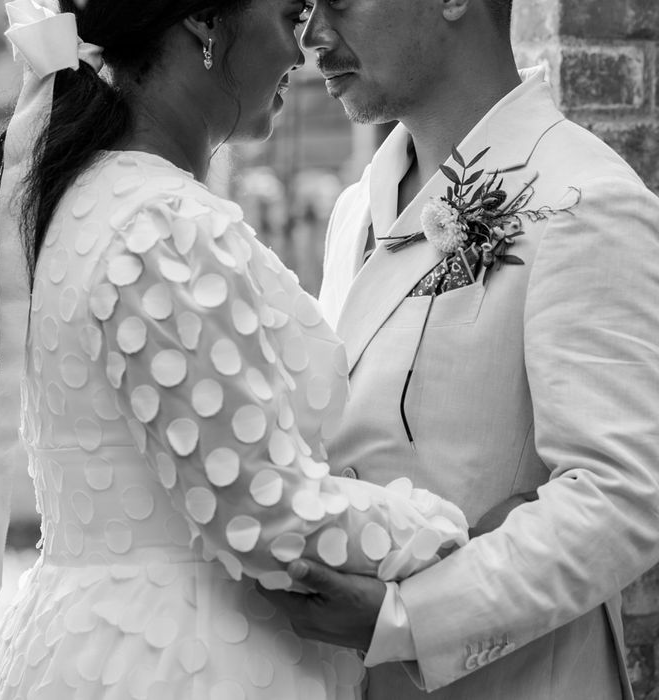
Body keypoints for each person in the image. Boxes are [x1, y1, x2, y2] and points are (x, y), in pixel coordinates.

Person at [0, 1, 470, 698]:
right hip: (183, 661)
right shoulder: (160, 225)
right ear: (204, 19)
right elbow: (267, 512)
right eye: (289, 14)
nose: (302, 52)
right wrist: (445, 529)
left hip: (95, 642)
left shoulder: (80, 200)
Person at [257, 0, 659, 698]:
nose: (314, 35)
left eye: (342, 2)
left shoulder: (583, 200)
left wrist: (408, 618)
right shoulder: (357, 208)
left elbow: (623, 494)